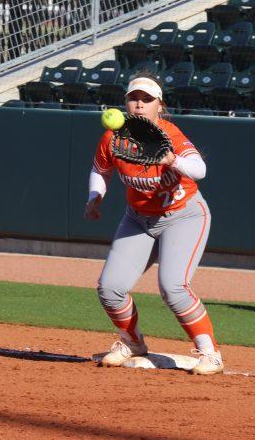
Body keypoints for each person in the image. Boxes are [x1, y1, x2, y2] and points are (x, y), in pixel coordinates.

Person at [84, 74, 222, 374]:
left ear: (160, 105)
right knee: (110, 288)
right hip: (138, 220)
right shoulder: (113, 136)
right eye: (134, 98)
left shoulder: (168, 134)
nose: (139, 104)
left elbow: (200, 169)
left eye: (147, 99)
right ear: (125, 103)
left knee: (173, 287)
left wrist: (172, 159)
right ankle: (132, 341)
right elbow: (100, 169)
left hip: (184, 215)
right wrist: (95, 196)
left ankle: (210, 353)